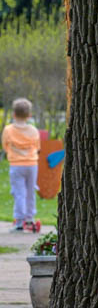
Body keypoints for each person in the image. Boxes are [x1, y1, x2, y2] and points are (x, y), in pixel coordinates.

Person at [4, 97, 40, 234]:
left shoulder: (8, 130)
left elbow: (5, 146)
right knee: (30, 191)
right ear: (29, 115)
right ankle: (30, 219)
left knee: (19, 193)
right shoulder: (33, 130)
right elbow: (37, 147)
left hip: (16, 165)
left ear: (14, 114)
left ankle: (19, 222)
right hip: (32, 164)